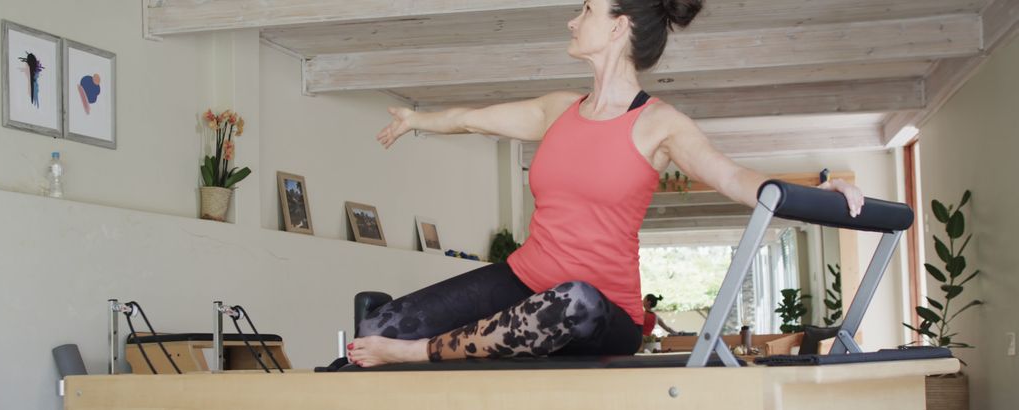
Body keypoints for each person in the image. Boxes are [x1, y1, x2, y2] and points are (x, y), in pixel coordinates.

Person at [348, 0, 863, 367]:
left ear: (619, 26)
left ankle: (424, 353)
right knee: (377, 329)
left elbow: (733, 177)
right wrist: (418, 120)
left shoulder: (660, 124)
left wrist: (823, 197)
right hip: (524, 279)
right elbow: (473, 118)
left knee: (573, 300)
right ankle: (436, 350)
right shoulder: (558, 111)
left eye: (587, 10)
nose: (573, 20)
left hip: (602, 312)